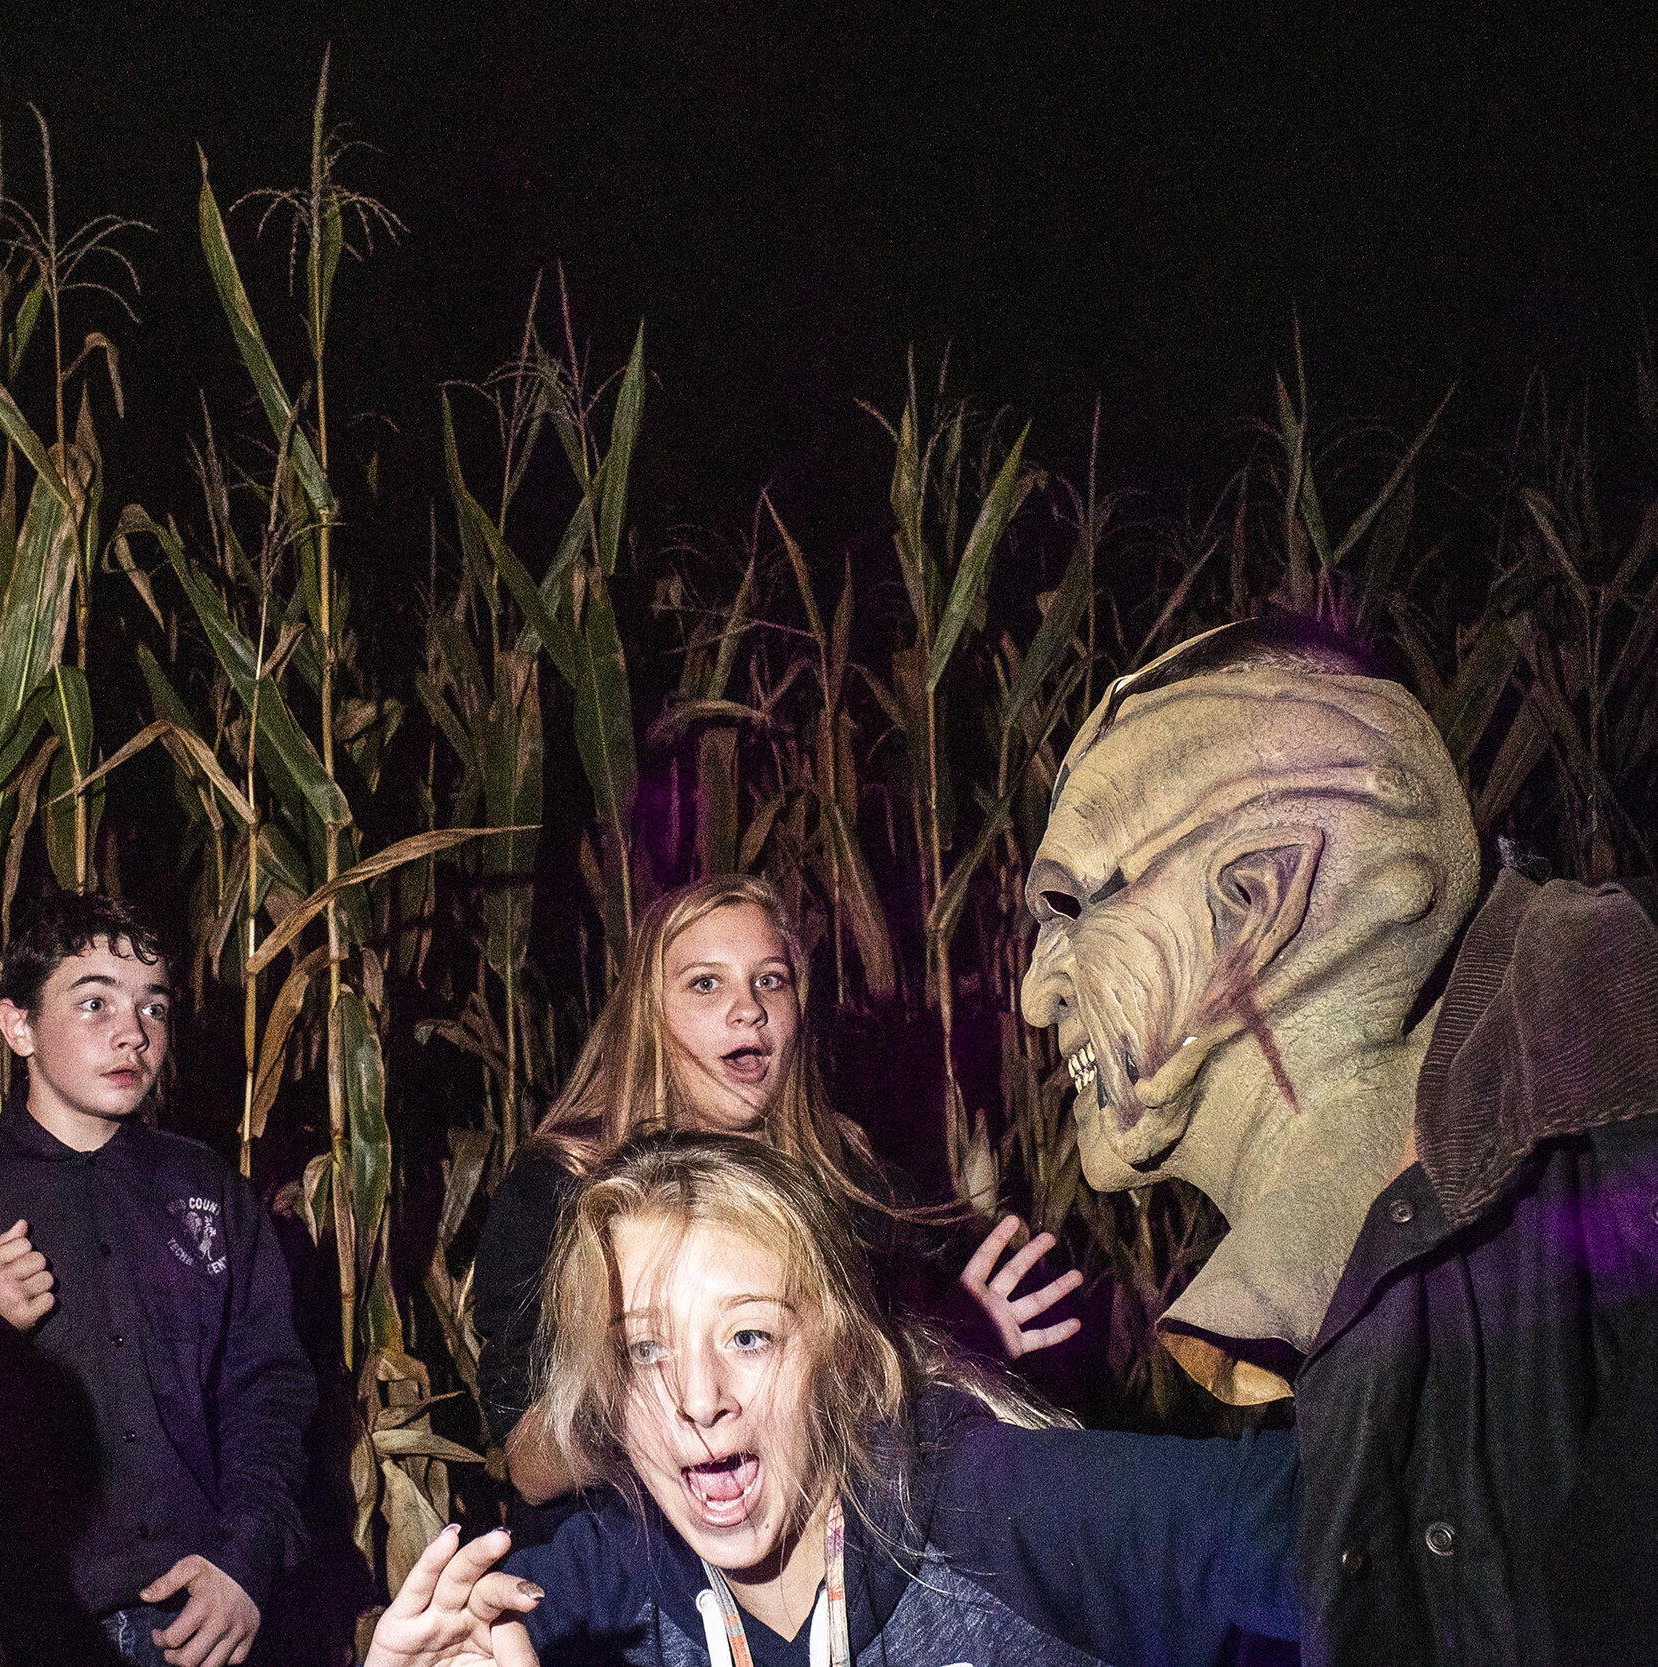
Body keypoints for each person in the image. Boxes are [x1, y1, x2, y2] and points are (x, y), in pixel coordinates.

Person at [1015, 613, 1658, 1665]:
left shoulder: (1609, 1163)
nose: (1036, 992)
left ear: (1258, 895)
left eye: (1068, 903)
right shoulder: (1408, 1249)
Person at [370, 1133, 1298, 1666]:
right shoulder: (591, 1594)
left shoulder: (991, 1505)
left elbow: (1365, 1524)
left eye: (749, 1335)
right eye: (645, 1349)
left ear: (845, 1354)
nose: (698, 1397)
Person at [471, 875, 1080, 1535]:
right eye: (707, 983)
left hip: (815, 1558)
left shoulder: (842, 1171)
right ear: (647, 1011)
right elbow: (530, 1462)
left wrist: (956, 1344)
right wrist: (664, 1385)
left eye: (771, 980)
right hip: (630, 1575)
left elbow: (874, 1397)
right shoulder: (562, 1185)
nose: (749, 1009)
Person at [0, 890, 315, 1667]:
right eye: (94, 1001)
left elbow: (268, 1389)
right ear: (17, 1025)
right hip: (10, 1632)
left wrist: (248, 1561)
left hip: (194, 1623)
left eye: (154, 1008)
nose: (133, 1033)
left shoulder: (206, 1189)